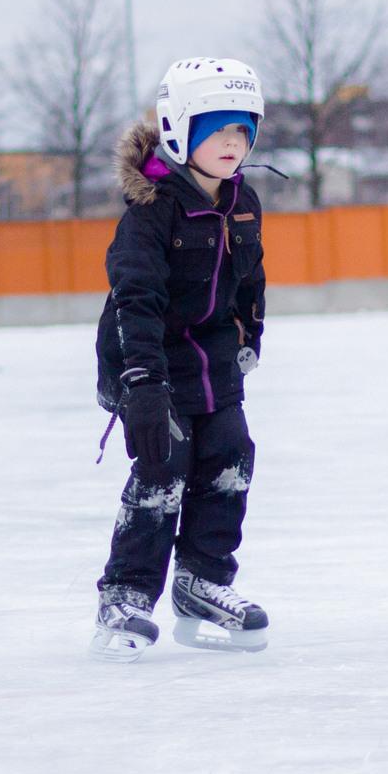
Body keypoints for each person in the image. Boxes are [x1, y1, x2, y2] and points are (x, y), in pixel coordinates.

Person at [93, 56, 271, 662]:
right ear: (178, 129)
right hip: (148, 360)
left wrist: (252, 335)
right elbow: (134, 298)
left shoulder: (242, 201)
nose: (233, 143)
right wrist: (140, 383)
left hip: (213, 359)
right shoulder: (152, 211)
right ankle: (125, 596)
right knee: (163, 467)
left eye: (243, 129)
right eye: (217, 129)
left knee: (230, 456)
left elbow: (251, 279)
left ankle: (202, 583)